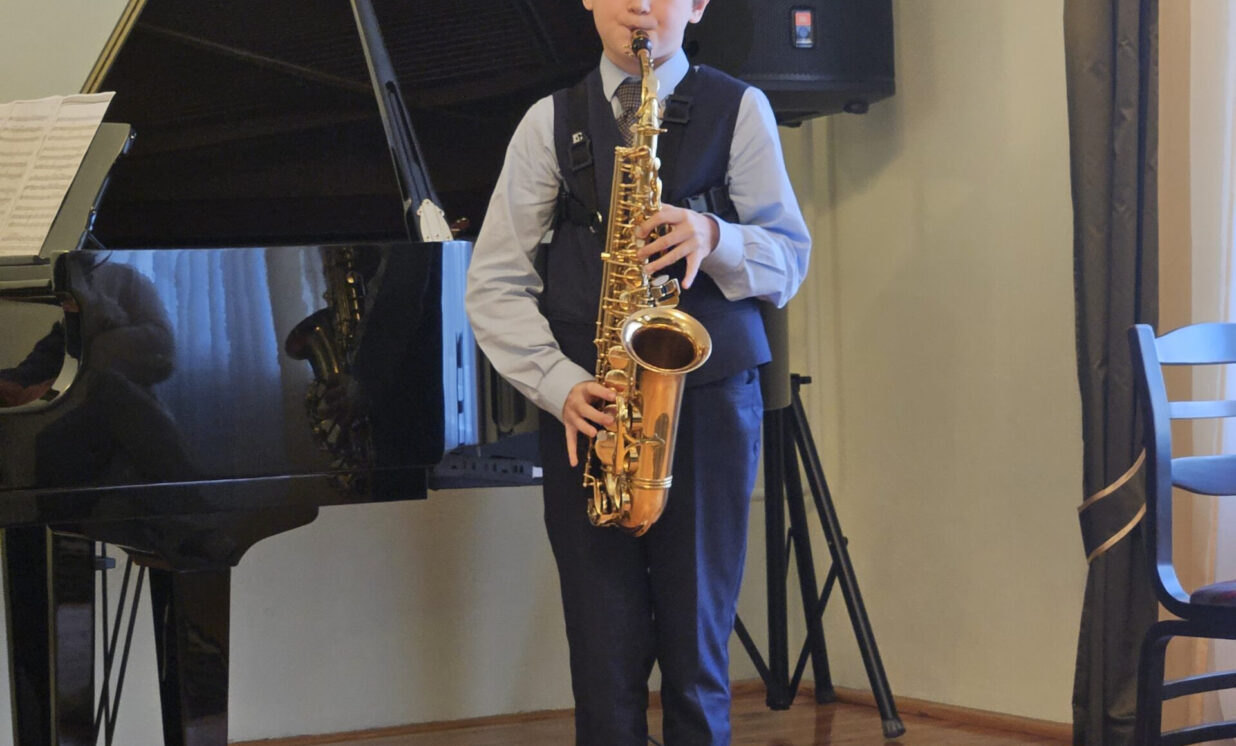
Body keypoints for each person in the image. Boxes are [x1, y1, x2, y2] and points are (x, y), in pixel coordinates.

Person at [465, 0, 810, 742]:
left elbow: (790, 260)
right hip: (589, 410)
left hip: (709, 411)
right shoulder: (547, 123)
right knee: (602, 660)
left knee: (697, 658)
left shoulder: (741, 108)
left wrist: (713, 234)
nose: (640, 6)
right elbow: (493, 284)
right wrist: (558, 385)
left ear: (698, 5)